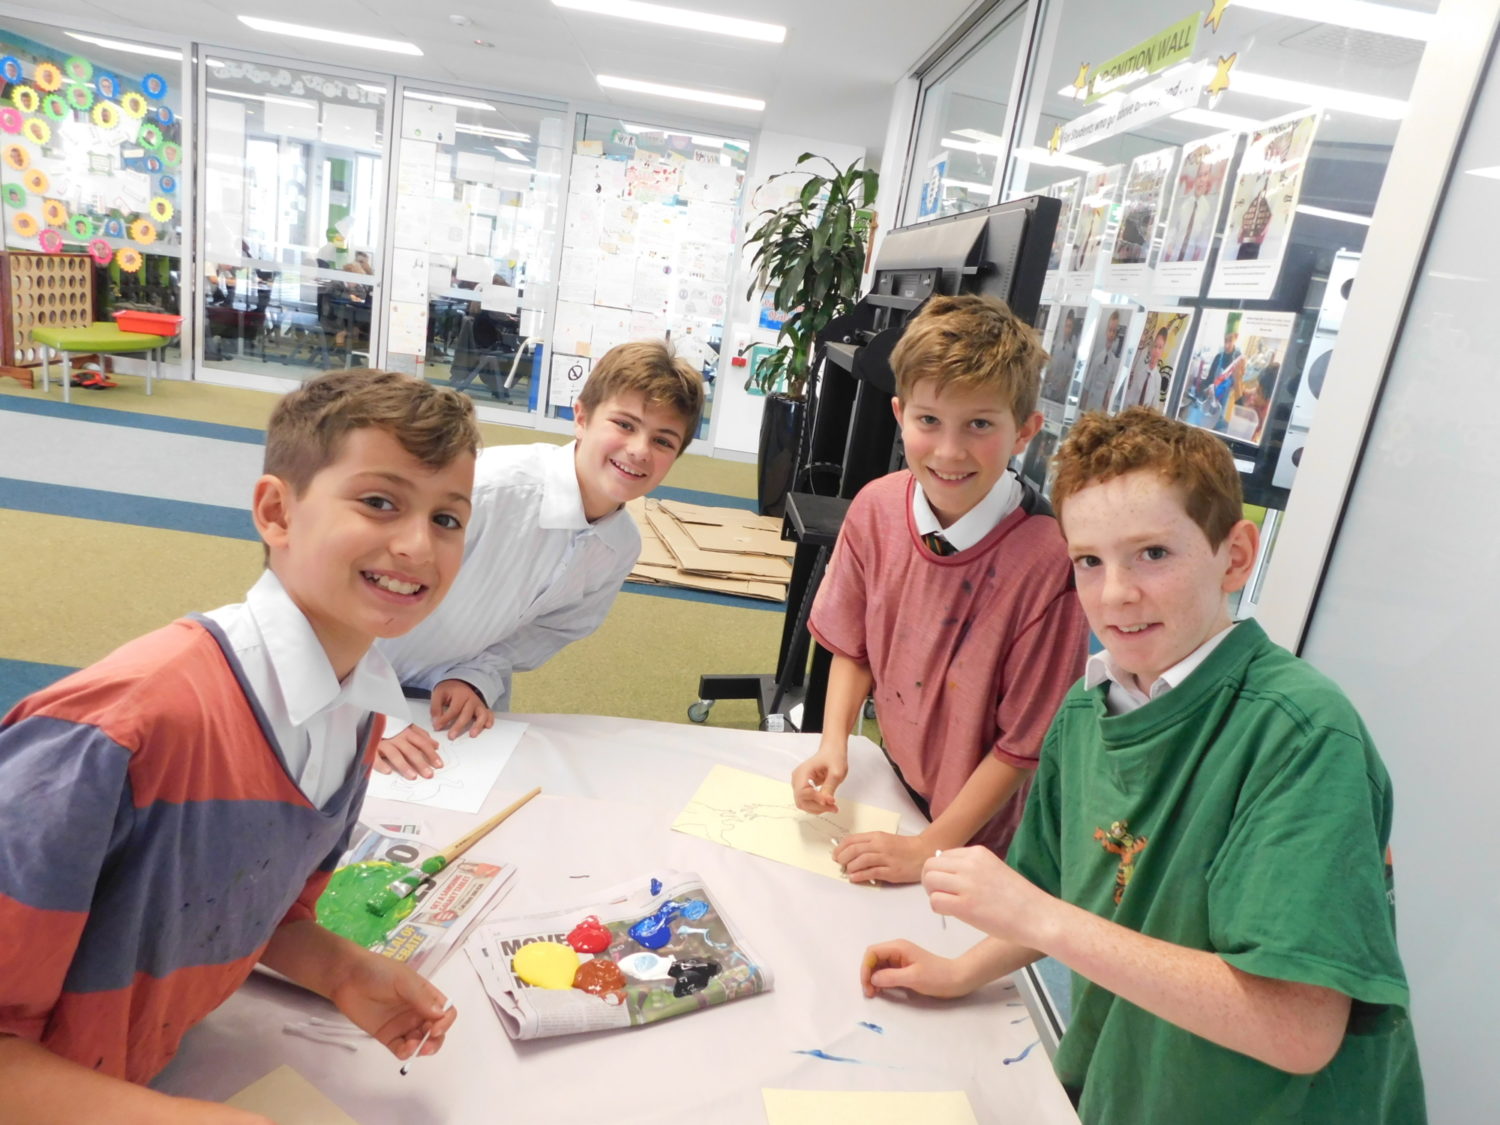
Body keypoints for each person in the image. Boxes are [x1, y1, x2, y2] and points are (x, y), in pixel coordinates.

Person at [860, 408, 1426, 1124]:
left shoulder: (1302, 735)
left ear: (1236, 556)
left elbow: (1298, 1027)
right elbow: (1053, 888)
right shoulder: (1086, 711)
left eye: (1153, 553)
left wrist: (1042, 918)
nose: (1115, 594)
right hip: (1131, 1083)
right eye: (1089, 561)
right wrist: (960, 969)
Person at [0, 369, 479, 1120]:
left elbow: (251, 903)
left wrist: (339, 970)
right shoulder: (120, 728)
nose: (419, 545)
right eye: (379, 502)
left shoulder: (360, 711)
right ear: (276, 512)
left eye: (447, 518)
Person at [790, 294, 1089, 884]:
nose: (950, 452)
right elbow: (854, 645)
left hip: (989, 838)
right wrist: (834, 743)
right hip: (902, 786)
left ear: (1025, 431)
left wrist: (929, 848)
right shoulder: (876, 508)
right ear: (900, 414)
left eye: (980, 424)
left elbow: (1021, 745)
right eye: (929, 421)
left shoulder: (1052, 563)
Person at [374, 340, 705, 779]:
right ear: (581, 417)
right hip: (347, 686)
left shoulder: (620, 545)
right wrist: (368, 713)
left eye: (663, 441)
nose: (640, 450)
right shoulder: (485, 491)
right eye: (624, 424)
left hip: (447, 703)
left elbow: (544, 631)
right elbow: (341, 592)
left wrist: (474, 676)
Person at [1076, 309, 1121, 415]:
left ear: (1116, 334)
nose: (1111, 334)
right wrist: (1082, 409)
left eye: (1114, 331)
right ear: (1106, 331)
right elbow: (1087, 385)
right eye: (1110, 330)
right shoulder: (1097, 357)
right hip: (1089, 405)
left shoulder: (1115, 362)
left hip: (1101, 409)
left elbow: (1110, 390)